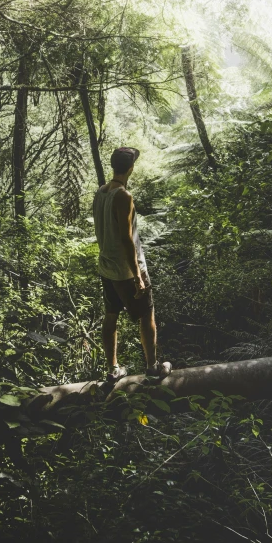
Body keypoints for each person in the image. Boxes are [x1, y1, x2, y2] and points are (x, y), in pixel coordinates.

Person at [92, 147, 172, 383]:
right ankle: (152, 367)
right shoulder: (123, 196)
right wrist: (137, 275)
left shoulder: (100, 192)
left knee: (111, 315)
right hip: (127, 269)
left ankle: (113, 368)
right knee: (147, 314)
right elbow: (127, 238)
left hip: (106, 267)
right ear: (131, 168)